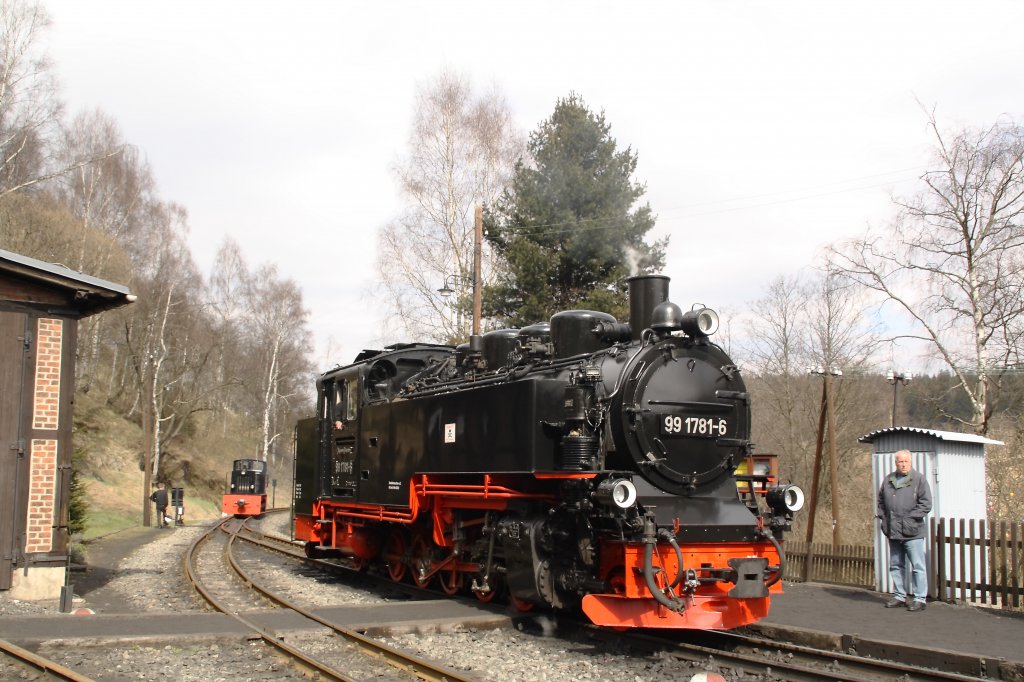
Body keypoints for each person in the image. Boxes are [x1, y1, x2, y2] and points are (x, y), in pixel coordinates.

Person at [876, 450, 932, 611]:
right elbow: (880, 502)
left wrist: (909, 519)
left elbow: (926, 504)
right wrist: (884, 518)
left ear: (911, 462)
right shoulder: (888, 480)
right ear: (896, 463)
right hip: (893, 530)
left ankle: (920, 598)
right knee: (896, 565)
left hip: (912, 531)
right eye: (901, 461)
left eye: (906, 461)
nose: (903, 464)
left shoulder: (919, 479)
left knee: (917, 566)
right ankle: (899, 596)